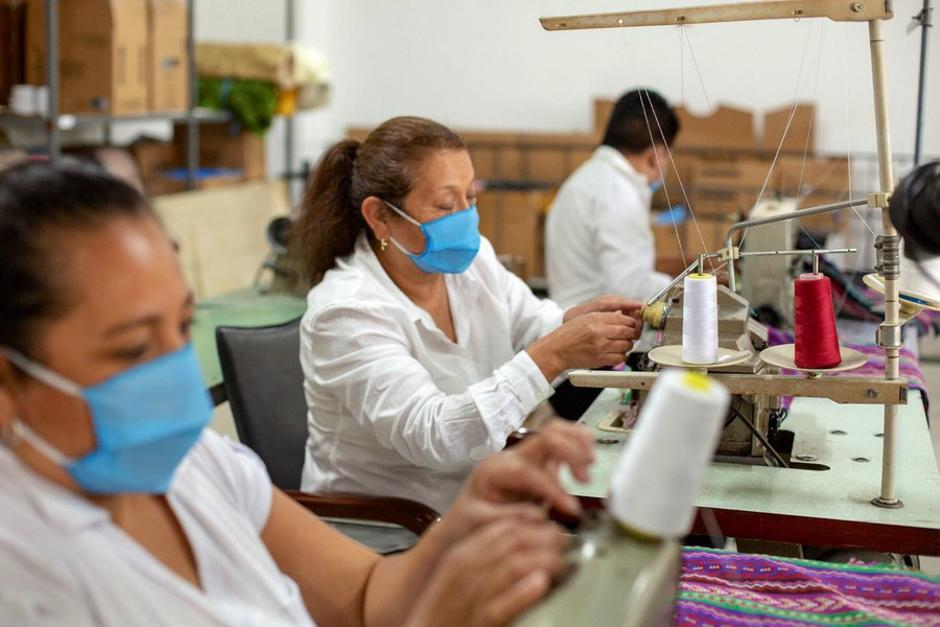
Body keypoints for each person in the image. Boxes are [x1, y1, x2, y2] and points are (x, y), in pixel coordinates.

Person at [0, 161, 597, 626]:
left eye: (182, 327)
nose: (175, 368)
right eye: (133, 349)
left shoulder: (198, 464)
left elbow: (365, 595)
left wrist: (461, 531)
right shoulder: (29, 579)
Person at [291, 116, 642, 513]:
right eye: (446, 205)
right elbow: (435, 435)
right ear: (379, 217)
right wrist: (555, 353)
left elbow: (531, 321)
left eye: (470, 197)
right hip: (387, 528)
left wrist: (573, 323)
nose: (466, 218)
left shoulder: (472, 264)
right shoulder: (345, 312)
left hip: (471, 506)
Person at [545, 89, 681, 308]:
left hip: (573, 314)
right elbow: (629, 287)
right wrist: (693, 285)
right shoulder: (619, 193)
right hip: (594, 321)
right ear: (655, 157)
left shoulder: (587, 177)